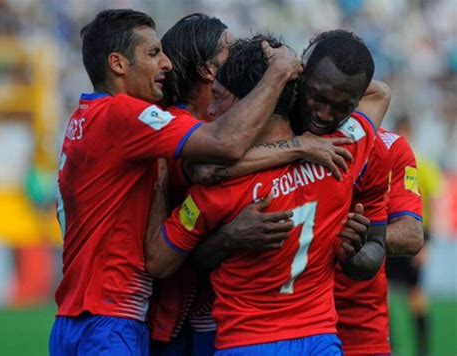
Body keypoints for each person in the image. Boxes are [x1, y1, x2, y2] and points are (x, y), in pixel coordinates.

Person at [49, 9, 302, 355]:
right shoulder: (125, 115)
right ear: (118, 64)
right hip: (111, 318)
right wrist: (280, 74)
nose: (166, 64)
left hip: (80, 315)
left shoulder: (85, 119)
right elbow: (220, 152)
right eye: (153, 53)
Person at [145, 34, 389, 354]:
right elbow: (380, 94)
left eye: (221, 98)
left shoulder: (218, 189)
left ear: (255, 103)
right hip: (320, 341)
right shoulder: (344, 152)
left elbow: (158, 263)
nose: (214, 111)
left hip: (247, 342)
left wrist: (159, 182)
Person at [386, 115, 440, 356]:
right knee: (381, 295)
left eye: (406, 131)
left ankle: (422, 348)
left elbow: (434, 205)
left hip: (414, 237)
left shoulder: (424, 166)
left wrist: (427, 244)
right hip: (389, 235)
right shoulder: (386, 164)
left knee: (415, 296)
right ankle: (391, 345)